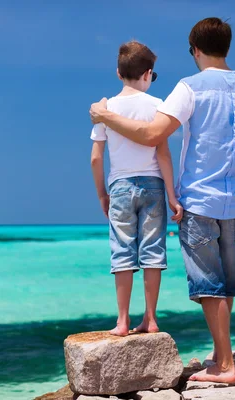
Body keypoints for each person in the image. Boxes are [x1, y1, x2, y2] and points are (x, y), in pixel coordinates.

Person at [89, 18, 235, 383]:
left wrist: (106, 115)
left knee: (209, 286)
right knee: (225, 284)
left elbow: (154, 134)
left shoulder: (189, 88)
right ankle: (220, 356)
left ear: (196, 50)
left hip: (200, 199)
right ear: (226, 47)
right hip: (234, 202)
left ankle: (225, 367)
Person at [90, 40, 183, 337]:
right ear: (148, 73)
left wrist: (102, 194)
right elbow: (163, 153)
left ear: (118, 73)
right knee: (153, 251)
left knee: (122, 252)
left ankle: (122, 322)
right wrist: (172, 194)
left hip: (119, 186)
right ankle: (151, 319)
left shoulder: (106, 109)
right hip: (154, 185)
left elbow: (95, 158)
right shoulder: (158, 106)